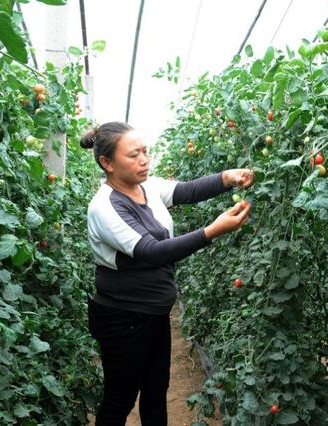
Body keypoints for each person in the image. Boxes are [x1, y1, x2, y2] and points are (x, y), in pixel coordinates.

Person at [80, 121, 254, 425]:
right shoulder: (104, 207)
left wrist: (227, 178)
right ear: (106, 163)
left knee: (156, 390)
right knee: (120, 399)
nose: (144, 160)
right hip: (124, 317)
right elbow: (152, 252)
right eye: (133, 155)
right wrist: (212, 230)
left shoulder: (146, 187)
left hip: (154, 311)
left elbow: (186, 190)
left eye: (145, 152)